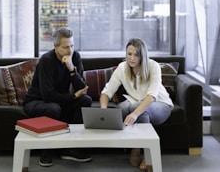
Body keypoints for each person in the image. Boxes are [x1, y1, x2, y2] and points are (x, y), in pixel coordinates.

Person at [99, 38, 173, 171]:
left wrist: (135, 113)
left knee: (137, 109)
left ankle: (143, 151)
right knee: (121, 108)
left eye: (136, 55)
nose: (132, 58)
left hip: (160, 103)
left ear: (142, 55)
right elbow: (107, 92)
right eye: (129, 54)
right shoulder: (122, 67)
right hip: (135, 101)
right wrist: (103, 110)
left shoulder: (153, 66)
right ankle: (136, 145)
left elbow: (152, 95)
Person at [23, 27, 92, 167]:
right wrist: (72, 97)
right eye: (65, 47)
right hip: (36, 101)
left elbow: (82, 88)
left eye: (72, 46)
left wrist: (72, 69)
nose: (70, 50)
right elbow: (47, 96)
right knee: (53, 108)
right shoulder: (46, 61)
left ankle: (71, 148)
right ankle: (46, 151)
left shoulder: (75, 57)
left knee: (86, 100)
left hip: (59, 100)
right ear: (55, 46)